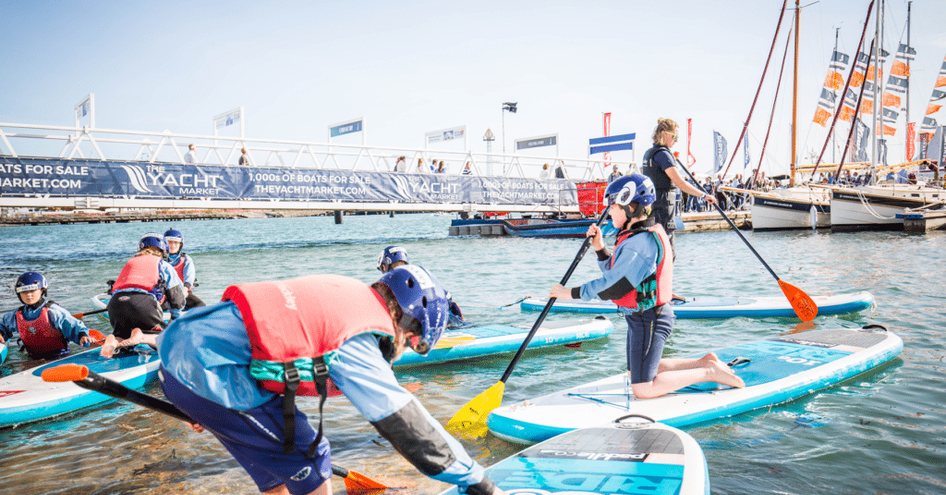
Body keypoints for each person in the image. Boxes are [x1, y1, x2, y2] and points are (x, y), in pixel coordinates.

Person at [157, 266, 502, 495]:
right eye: (414, 339)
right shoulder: (358, 333)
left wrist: (197, 401)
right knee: (310, 455)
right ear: (406, 319)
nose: (406, 347)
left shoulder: (347, 291)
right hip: (211, 373)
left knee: (277, 466)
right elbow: (405, 422)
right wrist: (475, 479)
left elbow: (258, 340)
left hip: (181, 355)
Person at [549, 174, 744, 399]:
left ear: (631, 207)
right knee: (636, 373)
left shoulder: (640, 244)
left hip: (650, 318)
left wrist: (571, 294)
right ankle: (704, 362)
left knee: (642, 388)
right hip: (639, 317)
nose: (609, 212)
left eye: (612, 207)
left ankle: (709, 372)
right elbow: (617, 274)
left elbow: (616, 288)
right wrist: (600, 248)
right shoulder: (633, 237)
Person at [641, 119, 717, 256]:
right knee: (668, 255)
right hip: (662, 210)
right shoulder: (663, 155)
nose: (676, 140)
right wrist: (704, 196)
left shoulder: (649, 153)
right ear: (664, 134)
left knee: (655, 253)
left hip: (652, 209)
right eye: (674, 136)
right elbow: (680, 183)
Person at [106, 233, 186, 342]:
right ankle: (142, 337)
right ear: (163, 251)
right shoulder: (164, 265)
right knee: (165, 341)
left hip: (115, 305)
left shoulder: (130, 263)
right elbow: (177, 298)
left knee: (123, 336)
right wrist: (175, 320)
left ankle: (116, 340)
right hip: (143, 305)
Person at [0, 272, 93, 359]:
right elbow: (3, 326)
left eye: (32, 290)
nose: (28, 295)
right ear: (19, 294)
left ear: (42, 290)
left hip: (59, 356)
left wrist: (82, 335)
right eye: (24, 291)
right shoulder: (16, 315)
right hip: (32, 358)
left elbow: (74, 326)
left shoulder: (53, 311)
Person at [377, 245, 466, 328]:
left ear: (384, 266)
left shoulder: (388, 282)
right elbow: (448, 299)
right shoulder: (420, 272)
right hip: (447, 320)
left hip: (419, 325)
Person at [164, 228, 206, 310]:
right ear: (164, 244)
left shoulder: (186, 259)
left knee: (201, 306)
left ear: (180, 245)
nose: (172, 245)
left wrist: (184, 291)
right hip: (164, 294)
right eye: (169, 242)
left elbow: (189, 277)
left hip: (183, 292)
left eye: (176, 242)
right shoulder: (159, 259)